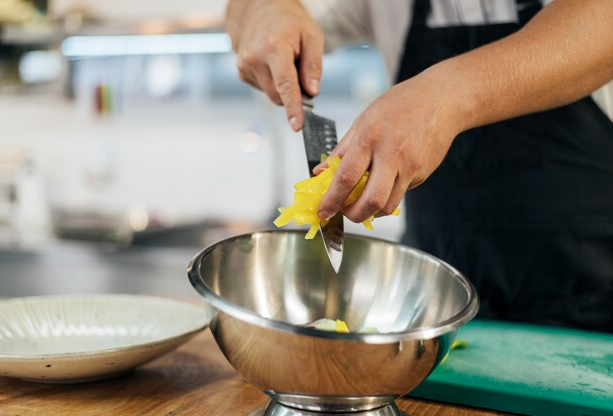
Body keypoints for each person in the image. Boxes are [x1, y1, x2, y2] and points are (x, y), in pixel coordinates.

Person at [225, 0, 613, 332]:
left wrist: (448, 95)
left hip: (594, 307)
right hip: (431, 308)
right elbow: (250, 9)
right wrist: (265, 10)